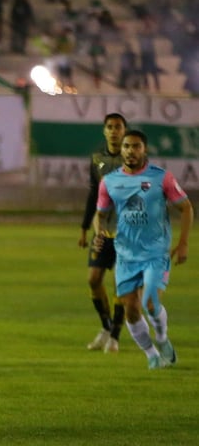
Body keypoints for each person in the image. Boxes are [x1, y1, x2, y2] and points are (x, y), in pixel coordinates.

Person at [95, 130, 193, 369]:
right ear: (122, 150)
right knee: (130, 308)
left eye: (136, 146)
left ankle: (161, 339)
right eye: (127, 146)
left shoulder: (162, 178)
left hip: (156, 253)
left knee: (150, 303)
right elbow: (101, 214)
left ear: (144, 150)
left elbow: (187, 208)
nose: (130, 151)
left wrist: (182, 243)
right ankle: (151, 354)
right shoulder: (109, 181)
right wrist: (98, 232)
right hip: (126, 255)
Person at [78, 113, 127, 354]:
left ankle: (115, 337)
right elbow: (92, 194)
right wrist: (84, 228)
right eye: (110, 127)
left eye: (118, 127)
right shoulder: (97, 158)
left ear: (124, 131)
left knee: (122, 283)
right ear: (104, 131)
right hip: (102, 229)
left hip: (128, 233)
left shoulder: (135, 160)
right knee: (93, 279)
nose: (114, 131)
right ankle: (106, 327)